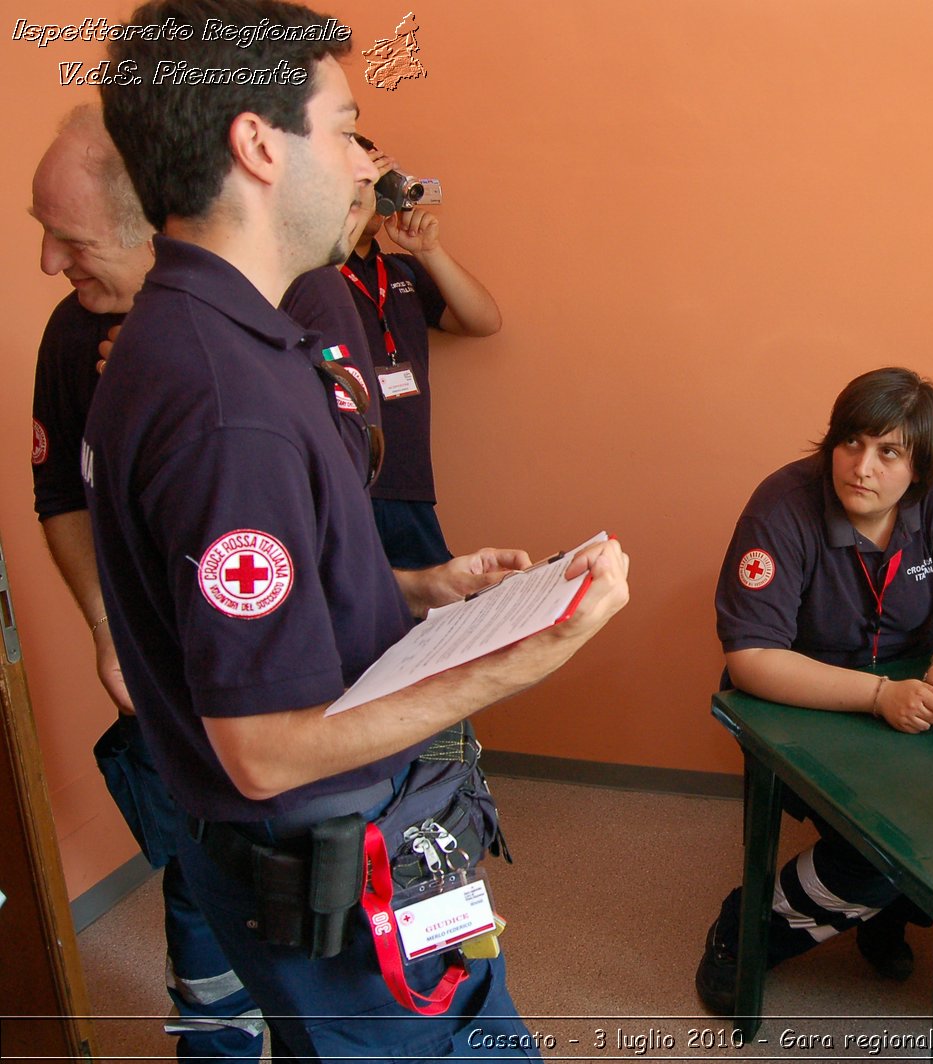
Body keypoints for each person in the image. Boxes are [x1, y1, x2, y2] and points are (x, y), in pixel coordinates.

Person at [89, 2, 628, 1058]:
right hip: (318, 854)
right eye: (343, 127)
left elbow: (275, 586)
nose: (362, 165)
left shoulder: (228, 335)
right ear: (256, 143)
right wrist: (526, 654)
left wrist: (428, 588)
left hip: (322, 845)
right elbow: (267, 748)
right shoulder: (222, 398)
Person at [29, 104, 266, 1060]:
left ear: (155, 222)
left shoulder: (271, 308)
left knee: (314, 907)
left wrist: (187, 376)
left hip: (286, 686)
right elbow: (59, 497)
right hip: (163, 698)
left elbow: (345, 471)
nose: (50, 261)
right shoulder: (66, 335)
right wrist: (100, 623)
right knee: (198, 878)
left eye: (70, 238)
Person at [696, 367, 933, 1015]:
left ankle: (878, 913)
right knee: (879, 852)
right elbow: (752, 659)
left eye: (889, 452)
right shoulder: (782, 504)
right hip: (801, 699)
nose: (862, 467)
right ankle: (744, 932)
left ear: (919, 468)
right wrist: (875, 697)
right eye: (851, 442)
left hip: (910, 691)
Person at [340, 140, 501, 568]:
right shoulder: (312, 274)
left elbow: (484, 321)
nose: (374, 194)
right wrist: (349, 211)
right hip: (343, 483)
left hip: (407, 482)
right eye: (364, 182)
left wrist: (428, 251)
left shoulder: (399, 270)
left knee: (429, 614)